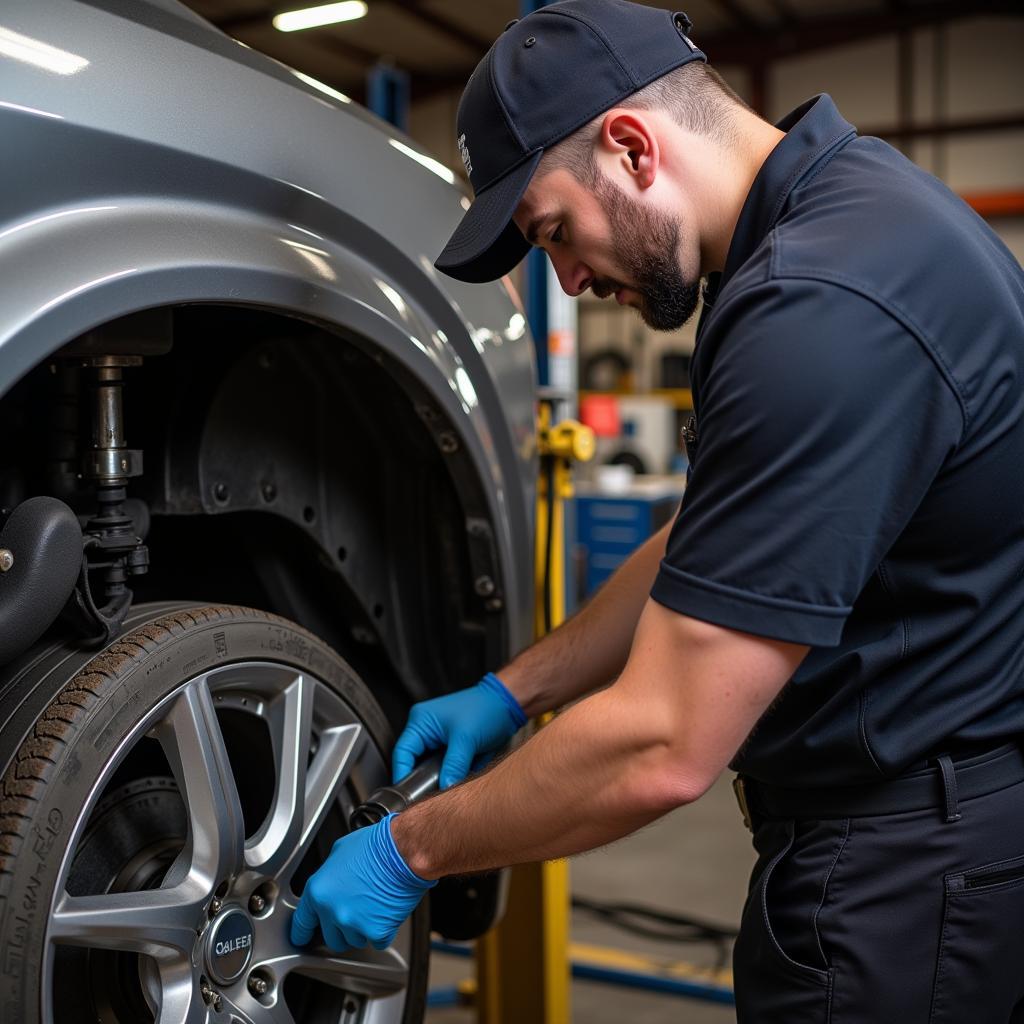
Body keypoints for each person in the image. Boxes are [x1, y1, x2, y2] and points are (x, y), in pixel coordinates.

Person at [292, 1, 1024, 1018]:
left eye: (552, 232)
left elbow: (664, 742)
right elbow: (721, 546)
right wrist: (513, 690)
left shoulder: (822, 307)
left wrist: (409, 850)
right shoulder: (844, 219)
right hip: (928, 845)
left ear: (631, 146)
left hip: (903, 889)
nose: (570, 278)